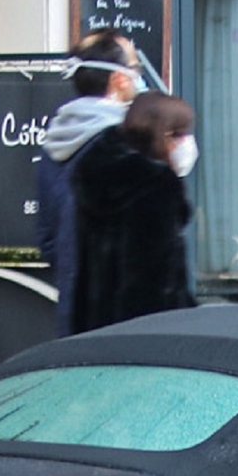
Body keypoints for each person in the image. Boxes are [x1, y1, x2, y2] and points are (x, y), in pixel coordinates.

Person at [34, 30, 143, 334]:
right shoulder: (127, 146)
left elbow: (47, 238)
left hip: (74, 314)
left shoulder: (54, 143)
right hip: (125, 321)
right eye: (135, 68)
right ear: (119, 79)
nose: (138, 76)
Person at [71, 92, 197, 333]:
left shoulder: (96, 174)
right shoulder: (158, 188)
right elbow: (157, 284)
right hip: (149, 338)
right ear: (166, 135)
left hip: (95, 332)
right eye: (182, 133)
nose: (187, 143)